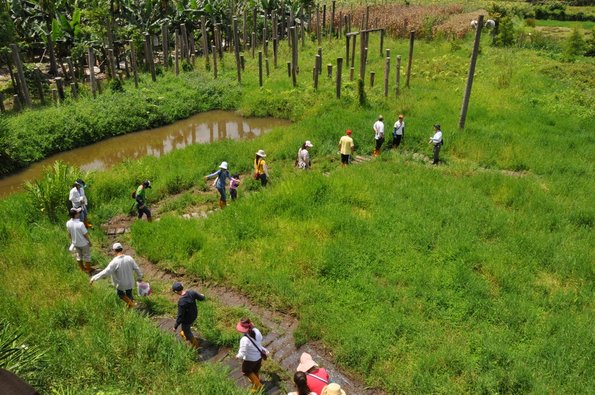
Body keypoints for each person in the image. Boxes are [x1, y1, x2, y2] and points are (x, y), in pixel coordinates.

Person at [90, 242, 143, 308]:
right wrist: (140, 276)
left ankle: (132, 305)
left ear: (114, 250)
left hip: (121, 284)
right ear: (122, 249)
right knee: (129, 294)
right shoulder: (129, 258)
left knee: (120, 294)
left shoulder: (115, 261)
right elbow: (136, 268)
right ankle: (131, 307)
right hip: (130, 282)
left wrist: (94, 278)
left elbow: (106, 272)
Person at [236, 317, 268, 393]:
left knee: (246, 371)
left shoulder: (244, 340)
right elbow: (259, 341)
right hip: (259, 356)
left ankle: (258, 386)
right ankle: (256, 379)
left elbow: (242, 353)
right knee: (255, 370)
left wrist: (237, 356)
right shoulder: (257, 331)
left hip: (250, 359)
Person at [171, 282, 205, 349]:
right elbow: (201, 298)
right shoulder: (191, 292)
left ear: (176, 292)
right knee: (185, 329)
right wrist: (203, 295)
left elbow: (180, 316)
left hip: (187, 320)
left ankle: (196, 346)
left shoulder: (182, 302)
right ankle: (186, 335)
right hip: (194, 315)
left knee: (187, 331)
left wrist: (175, 326)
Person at [66, 207, 92, 273]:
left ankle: (82, 269)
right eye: (78, 212)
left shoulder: (68, 223)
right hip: (83, 243)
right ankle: (89, 270)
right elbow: (85, 234)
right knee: (87, 256)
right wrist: (89, 242)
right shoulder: (80, 224)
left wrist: (72, 241)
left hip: (75, 243)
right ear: (75, 215)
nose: (79, 213)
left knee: (79, 256)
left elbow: (69, 234)